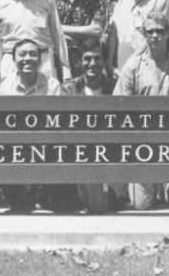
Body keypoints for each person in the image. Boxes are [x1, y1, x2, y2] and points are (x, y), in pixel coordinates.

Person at [116, 13, 169, 210]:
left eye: (160, 31)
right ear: (143, 34)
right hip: (143, 145)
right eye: (149, 32)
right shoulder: (132, 67)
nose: (154, 36)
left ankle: (167, 187)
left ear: (168, 33)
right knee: (140, 205)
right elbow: (124, 111)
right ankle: (152, 187)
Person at [0, 40, 68, 212]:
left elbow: (53, 122)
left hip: (45, 144)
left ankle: (43, 193)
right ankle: (21, 195)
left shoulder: (52, 85)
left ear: (41, 59)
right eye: (22, 54)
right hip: (14, 145)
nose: (27, 58)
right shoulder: (4, 85)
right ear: (13, 59)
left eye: (33, 54)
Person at [59, 39, 121, 213]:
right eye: (87, 58)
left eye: (98, 58)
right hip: (78, 153)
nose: (92, 63)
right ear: (79, 61)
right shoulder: (69, 89)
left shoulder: (115, 88)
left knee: (107, 203)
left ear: (104, 61)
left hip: (108, 154)